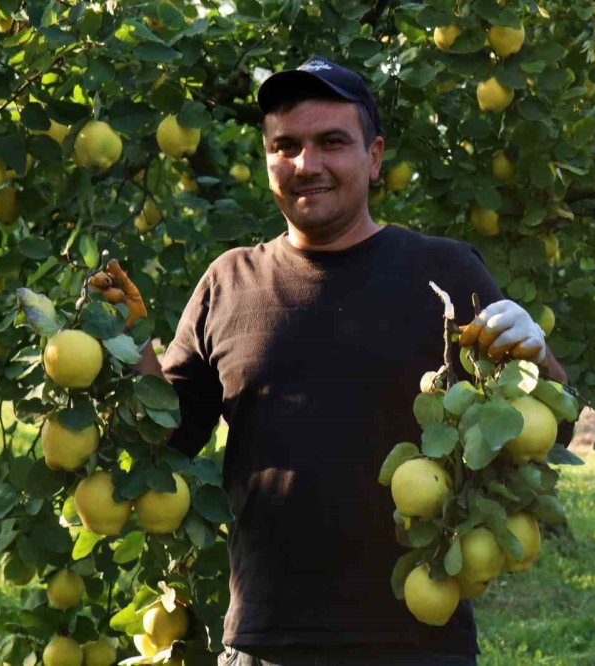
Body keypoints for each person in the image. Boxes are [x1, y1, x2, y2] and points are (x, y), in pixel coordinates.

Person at [135, 56, 572, 666]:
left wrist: (537, 354)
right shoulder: (229, 282)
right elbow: (170, 439)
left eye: (331, 142)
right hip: (267, 640)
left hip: (418, 638)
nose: (306, 165)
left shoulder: (443, 272)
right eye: (285, 146)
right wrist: (130, 348)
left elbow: (552, 428)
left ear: (373, 156)